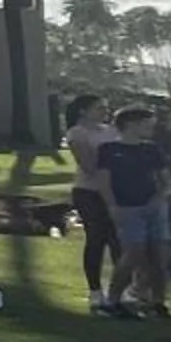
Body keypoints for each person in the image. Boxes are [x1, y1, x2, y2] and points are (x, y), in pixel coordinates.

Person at [98, 105, 171, 318]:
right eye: (146, 124)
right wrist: (112, 206)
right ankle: (112, 299)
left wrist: (159, 199)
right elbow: (105, 181)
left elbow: (165, 179)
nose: (150, 128)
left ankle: (158, 301)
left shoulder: (151, 149)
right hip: (127, 208)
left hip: (154, 207)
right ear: (130, 125)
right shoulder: (109, 150)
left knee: (160, 254)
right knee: (133, 253)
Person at [63, 94, 121, 313]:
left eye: (105, 108)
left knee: (118, 240)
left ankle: (119, 289)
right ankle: (95, 291)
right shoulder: (77, 133)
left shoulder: (111, 131)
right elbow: (88, 165)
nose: (104, 112)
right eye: (99, 108)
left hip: (115, 191)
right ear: (83, 111)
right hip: (88, 192)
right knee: (96, 237)